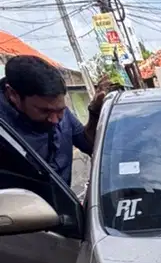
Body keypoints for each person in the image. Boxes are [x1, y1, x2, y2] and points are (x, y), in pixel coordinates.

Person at [0, 55, 112, 187]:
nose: (55, 120)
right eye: (44, 111)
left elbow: (88, 143)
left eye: (60, 110)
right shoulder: (4, 132)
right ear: (13, 95)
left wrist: (94, 112)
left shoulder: (58, 112)